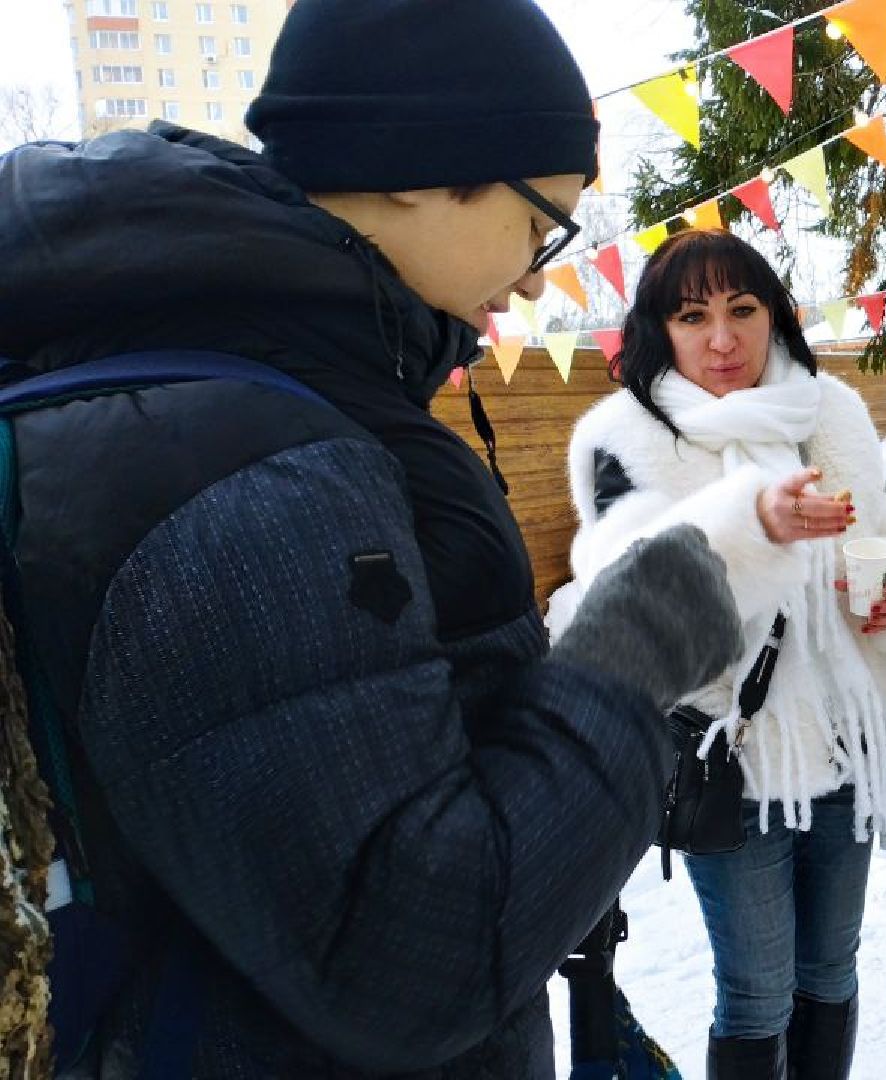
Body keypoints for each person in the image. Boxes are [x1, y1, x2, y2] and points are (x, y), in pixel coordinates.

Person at [0, 1, 744, 1075]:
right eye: (543, 223)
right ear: (413, 167)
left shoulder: (233, 369)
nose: (540, 274)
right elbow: (411, 953)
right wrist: (634, 653)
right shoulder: (241, 459)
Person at [561, 228, 886, 1079]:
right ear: (660, 328)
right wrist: (749, 523)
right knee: (757, 995)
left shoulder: (828, 412)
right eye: (694, 316)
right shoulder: (626, 435)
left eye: (742, 308)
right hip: (731, 763)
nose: (723, 339)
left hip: (846, 751)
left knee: (832, 974)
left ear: (775, 315)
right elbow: (624, 584)